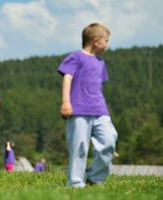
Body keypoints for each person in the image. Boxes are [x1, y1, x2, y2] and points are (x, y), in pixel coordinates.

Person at [58, 23, 118, 188]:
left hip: (99, 110)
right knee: (80, 147)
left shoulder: (100, 62)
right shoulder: (75, 57)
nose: (107, 44)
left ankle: (94, 177)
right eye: (106, 40)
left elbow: (98, 88)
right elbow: (67, 78)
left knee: (109, 140)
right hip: (78, 109)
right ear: (96, 40)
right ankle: (76, 183)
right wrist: (66, 102)